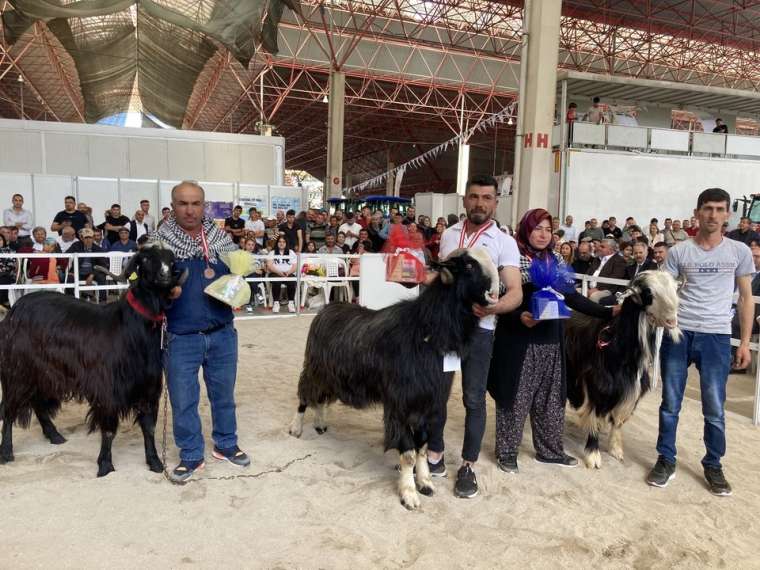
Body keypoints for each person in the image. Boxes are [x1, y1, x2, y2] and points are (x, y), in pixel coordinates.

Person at [488, 209, 615, 475]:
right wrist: (517, 316)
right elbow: (496, 301)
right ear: (525, 230)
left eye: (548, 229)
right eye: (537, 228)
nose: (543, 234)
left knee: (550, 398)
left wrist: (606, 312)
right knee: (516, 397)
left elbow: (572, 298)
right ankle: (507, 452)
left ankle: (550, 450)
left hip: (551, 342)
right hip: (517, 341)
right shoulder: (510, 260)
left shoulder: (556, 261)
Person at [648, 187, 753, 497]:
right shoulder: (679, 252)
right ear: (697, 212)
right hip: (680, 334)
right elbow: (663, 290)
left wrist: (744, 343)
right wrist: (662, 316)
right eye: (708, 208)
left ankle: (713, 463)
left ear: (728, 215)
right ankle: (666, 459)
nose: (713, 215)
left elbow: (746, 298)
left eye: (720, 209)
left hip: (717, 336)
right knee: (670, 403)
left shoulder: (738, 252)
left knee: (715, 407)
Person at [427, 174, 523, 499]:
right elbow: (442, 280)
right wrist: (411, 275)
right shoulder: (450, 235)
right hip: (446, 330)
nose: (479, 203)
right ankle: (435, 452)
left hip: (479, 333)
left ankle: (468, 465)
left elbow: (515, 292)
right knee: (437, 393)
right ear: (465, 200)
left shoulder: (504, 242)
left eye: (486, 197)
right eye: (474, 197)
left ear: (495, 202)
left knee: (473, 398)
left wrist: (492, 311)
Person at [156, 181, 249, 483]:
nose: (190, 209)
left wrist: (240, 284)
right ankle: (191, 455)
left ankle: (226, 444)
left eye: (196, 203)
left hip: (222, 332)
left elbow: (240, 275)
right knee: (184, 399)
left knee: (224, 395)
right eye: (183, 203)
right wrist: (163, 294)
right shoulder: (158, 244)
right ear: (172, 206)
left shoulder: (221, 240)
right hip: (181, 336)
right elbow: (139, 288)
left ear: (204, 206)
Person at [67, 228, 108, 302]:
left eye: (90, 237)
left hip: (92, 272)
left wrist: (92, 274)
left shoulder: (97, 249)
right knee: (69, 278)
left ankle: (103, 301)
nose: (88, 240)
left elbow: (103, 265)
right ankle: (71, 301)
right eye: (86, 237)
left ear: (93, 238)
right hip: (78, 272)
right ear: (82, 238)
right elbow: (65, 256)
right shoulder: (76, 245)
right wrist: (70, 271)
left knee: (101, 277)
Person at [267, 235, 297, 313]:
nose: (281, 243)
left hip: (288, 273)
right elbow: (269, 265)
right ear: (277, 243)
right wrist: (279, 272)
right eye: (280, 241)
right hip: (275, 273)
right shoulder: (272, 252)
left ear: (286, 243)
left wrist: (288, 272)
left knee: (292, 281)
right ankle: (276, 303)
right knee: (276, 281)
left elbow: (295, 266)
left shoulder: (291, 252)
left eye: (283, 242)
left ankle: (291, 303)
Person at [0, 234, 16, 306]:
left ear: (3, 241)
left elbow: (12, 265)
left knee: (4, 279)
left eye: (0, 240)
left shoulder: (10, 251)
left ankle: (3, 303)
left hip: (6, 275)